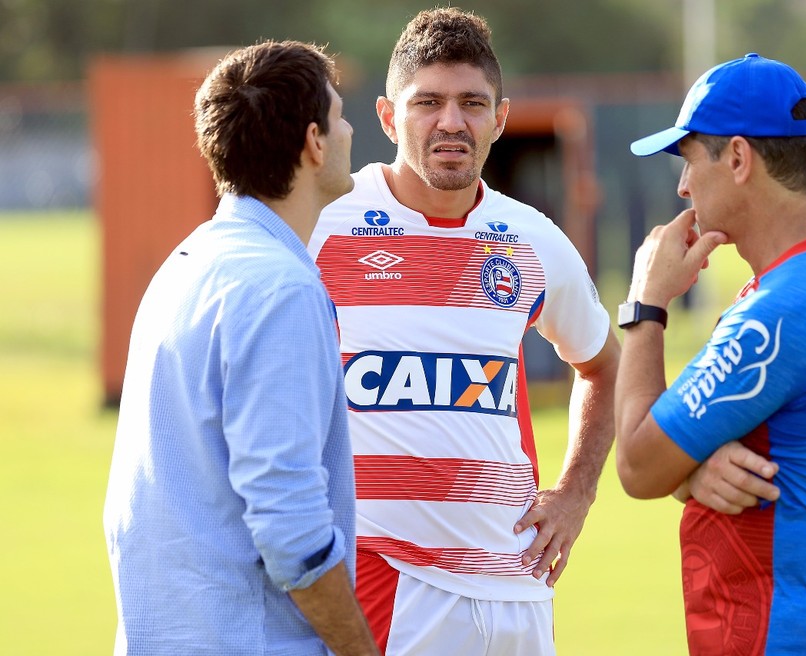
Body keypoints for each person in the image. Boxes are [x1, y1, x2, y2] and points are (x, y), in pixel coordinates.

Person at [307, 8, 620, 655]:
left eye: (472, 103)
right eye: (428, 102)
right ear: (389, 117)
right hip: (386, 581)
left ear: (499, 118)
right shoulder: (325, 226)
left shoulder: (532, 239)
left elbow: (605, 365)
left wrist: (575, 494)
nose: (452, 121)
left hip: (517, 585)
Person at [614, 53, 806, 655]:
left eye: (690, 159)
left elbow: (639, 464)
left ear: (739, 159)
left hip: (790, 632)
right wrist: (690, 468)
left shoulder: (783, 310)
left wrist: (646, 304)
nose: (683, 186)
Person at [103, 40, 378, 655]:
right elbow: (292, 529)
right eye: (339, 115)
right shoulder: (280, 289)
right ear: (314, 142)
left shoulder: (188, 263)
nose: (350, 128)